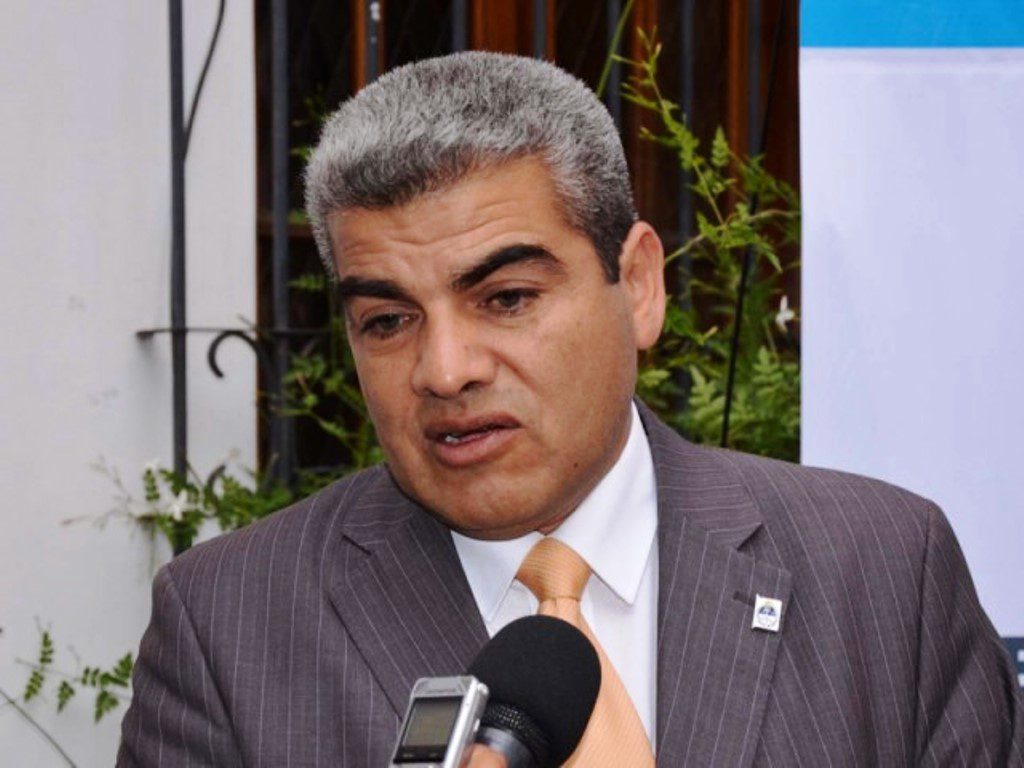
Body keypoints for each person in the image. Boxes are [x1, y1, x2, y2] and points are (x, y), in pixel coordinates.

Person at [117, 52, 1023, 767]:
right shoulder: (229, 627)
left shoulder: (882, 571)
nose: (445, 370)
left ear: (639, 285)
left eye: (506, 298)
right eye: (388, 320)